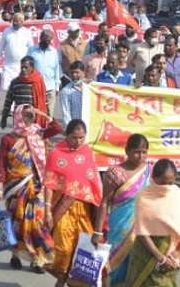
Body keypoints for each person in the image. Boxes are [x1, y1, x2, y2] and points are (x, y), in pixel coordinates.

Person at [0, 104, 60, 273]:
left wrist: (43, 115)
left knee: (36, 224)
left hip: (36, 188)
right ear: (17, 117)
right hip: (14, 188)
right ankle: (15, 255)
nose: (29, 120)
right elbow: (1, 166)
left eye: (31, 117)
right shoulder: (8, 139)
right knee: (17, 223)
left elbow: (57, 128)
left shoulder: (38, 134)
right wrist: (0, 189)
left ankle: (36, 259)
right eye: (25, 116)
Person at [44, 120, 103, 286]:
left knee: (82, 248)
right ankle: (60, 279)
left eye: (82, 138)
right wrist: (48, 211)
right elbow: (49, 184)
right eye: (74, 137)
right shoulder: (56, 154)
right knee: (63, 248)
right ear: (66, 136)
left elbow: (94, 182)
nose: (78, 142)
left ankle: (66, 282)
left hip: (84, 209)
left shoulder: (87, 153)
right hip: (62, 209)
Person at [91, 134, 152, 286]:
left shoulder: (149, 172)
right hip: (119, 226)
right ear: (127, 151)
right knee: (114, 268)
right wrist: (98, 232)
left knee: (137, 270)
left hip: (142, 228)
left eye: (144, 152)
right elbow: (104, 202)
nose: (141, 156)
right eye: (137, 151)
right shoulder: (116, 173)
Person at [125, 159, 180, 286]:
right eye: (162, 183)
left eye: (171, 183)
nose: (167, 187)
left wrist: (177, 252)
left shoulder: (177, 194)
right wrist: (160, 258)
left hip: (172, 250)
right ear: (153, 178)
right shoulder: (143, 196)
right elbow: (141, 232)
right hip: (146, 251)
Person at [0, 56, 47, 129]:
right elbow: (8, 102)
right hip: (19, 118)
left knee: (32, 140)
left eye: (26, 67)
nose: (23, 69)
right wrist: (4, 118)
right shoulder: (15, 82)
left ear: (32, 68)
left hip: (34, 119)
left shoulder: (39, 82)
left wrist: (47, 118)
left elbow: (44, 102)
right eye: (22, 67)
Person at [0, 13, 34, 102]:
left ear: (22, 22)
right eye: (14, 21)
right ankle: (10, 105)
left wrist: (31, 63)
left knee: (19, 86)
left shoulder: (27, 32)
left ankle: (14, 108)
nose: (15, 23)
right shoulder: (7, 31)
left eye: (17, 21)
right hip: (8, 65)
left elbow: (31, 48)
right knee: (7, 86)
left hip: (21, 66)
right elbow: (1, 46)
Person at [27, 30, 61, 117]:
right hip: (36, 86)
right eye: (46, 39)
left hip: (50, 87)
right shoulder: (32, 50)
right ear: (40, 38)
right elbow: (27, 67)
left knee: (49, 113)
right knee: (36, 111)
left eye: (49, 40)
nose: (47, 42)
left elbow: (56, 69)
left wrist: (57, 86)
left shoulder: (53, 52)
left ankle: (47, 129)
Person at [59, 61, 84, 126]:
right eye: (72, 72)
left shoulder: (89, 87)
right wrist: (70, 128)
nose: (74, 75)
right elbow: (66, 112)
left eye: (77, 72)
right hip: (76, 125)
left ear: (83, 72)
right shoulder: (66, 91)